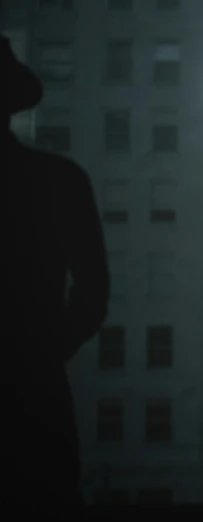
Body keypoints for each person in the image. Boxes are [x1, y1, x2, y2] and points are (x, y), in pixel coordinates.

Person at [1, 34, 110, 508]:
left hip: (35, 390)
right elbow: (93, 294)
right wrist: (43, 353)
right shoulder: (59, 179)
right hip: (37, 393)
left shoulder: (58, 179)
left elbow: (92, 292)